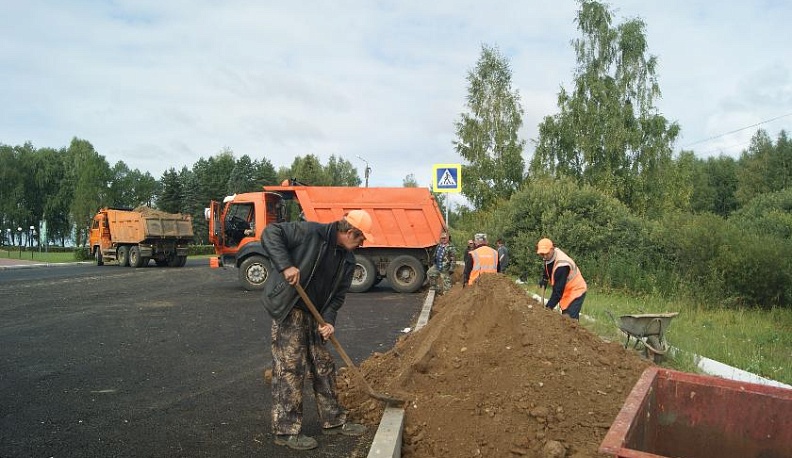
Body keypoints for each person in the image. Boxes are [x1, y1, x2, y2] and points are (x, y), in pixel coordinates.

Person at [260, 210, 373, 450]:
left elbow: (337, 297)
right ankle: (286, 430)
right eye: (361, 238)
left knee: (324, 366)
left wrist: (329, 320)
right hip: (291, 308)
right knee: (290, 368)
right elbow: (270, 233)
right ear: (350, 232)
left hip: (317, 315)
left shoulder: (348, 260)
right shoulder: (310, 232)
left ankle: (333, 421)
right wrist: (286, 265)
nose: (362, 243)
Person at [536, 238, 587, 320]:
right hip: (566, 291)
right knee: (565, 319)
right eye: (542, 254)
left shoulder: (562, 265)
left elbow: (558, 291)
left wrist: (548, 308)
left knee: (569, 320)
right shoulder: (549, 257)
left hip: (576, 290)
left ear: (552, 249)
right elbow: (547, 268)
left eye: (546, 253)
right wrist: (544, 279)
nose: (544, 256)